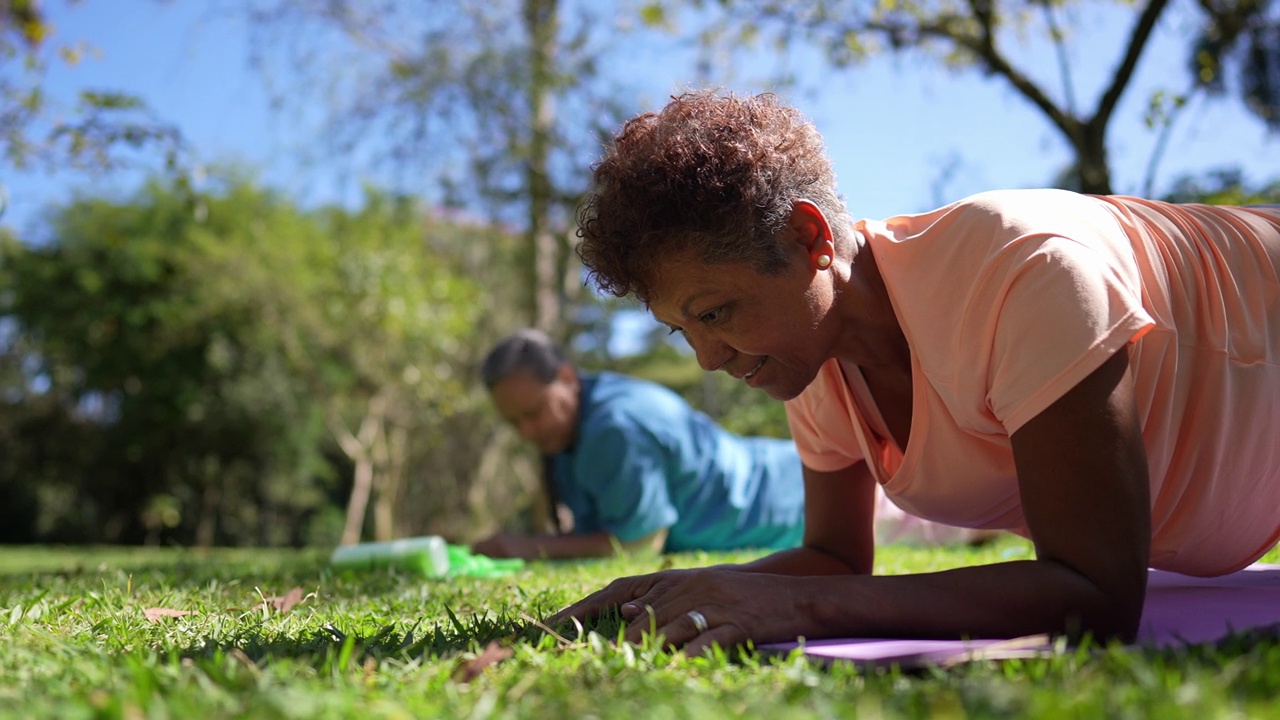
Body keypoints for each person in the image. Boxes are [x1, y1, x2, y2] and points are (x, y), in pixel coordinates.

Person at [549, 90, 1280, 654]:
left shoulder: (1024, 273)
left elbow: (1098, 593)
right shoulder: (806, 354)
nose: (708, 358)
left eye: (715, 314)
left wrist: (793, 608)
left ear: (809, 239)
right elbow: (836, 556)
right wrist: (683, 590)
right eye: (683, 332)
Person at [473, 329, 981, 560]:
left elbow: (637, 543)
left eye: (534, 412)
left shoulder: (614, 426)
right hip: (788, 479)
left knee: (974, 516)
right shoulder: (580, 419)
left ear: (565, 377)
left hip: (803, 501)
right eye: (514, 422)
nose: (529, 432)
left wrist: (523, 547)